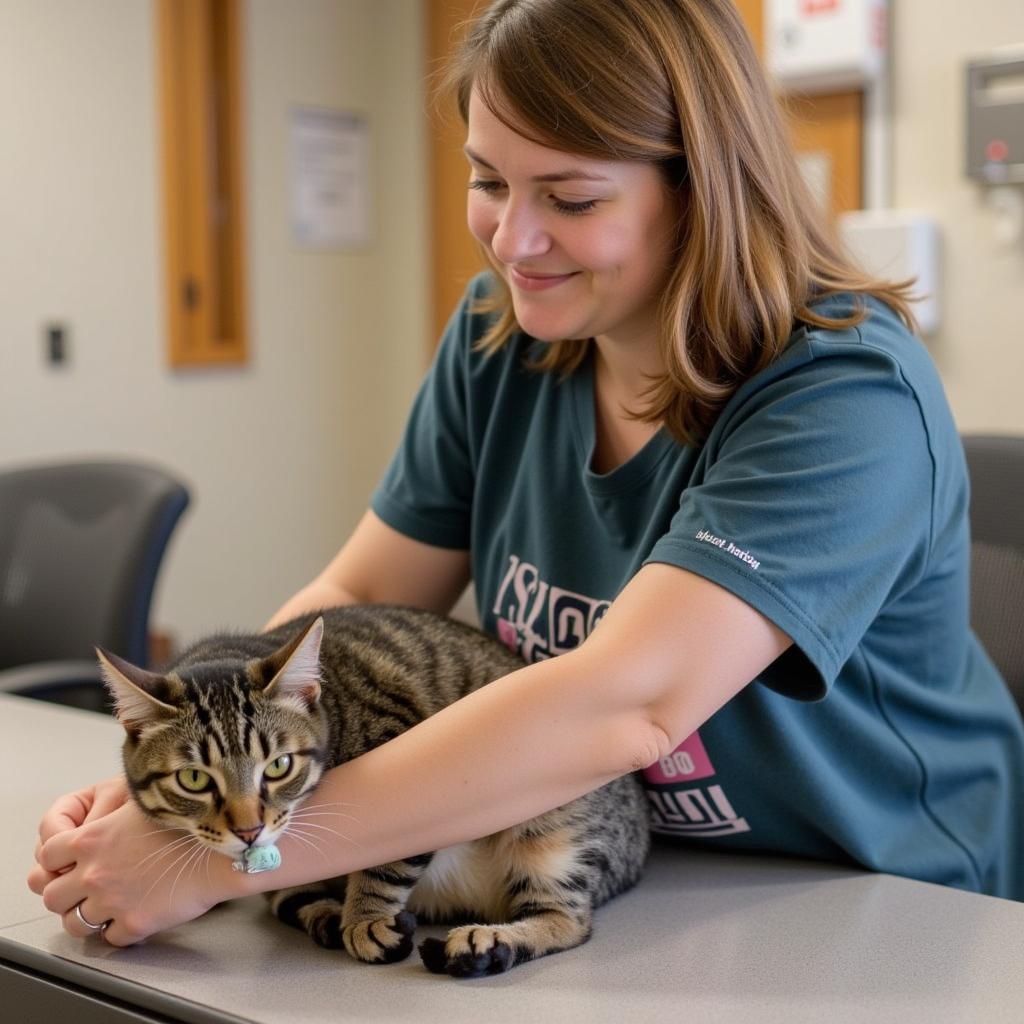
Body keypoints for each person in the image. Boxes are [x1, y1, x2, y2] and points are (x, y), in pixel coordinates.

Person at [28, 0, 1024, 944]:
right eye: (488, 180)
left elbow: (624, 702)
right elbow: (362, 595)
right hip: (630, 877)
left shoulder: (846, 396)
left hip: (887, 902)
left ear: (702, 189)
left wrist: (223, 868)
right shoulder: (499, 336)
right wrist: (179, 792)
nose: (513, 239)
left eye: (571, 196)